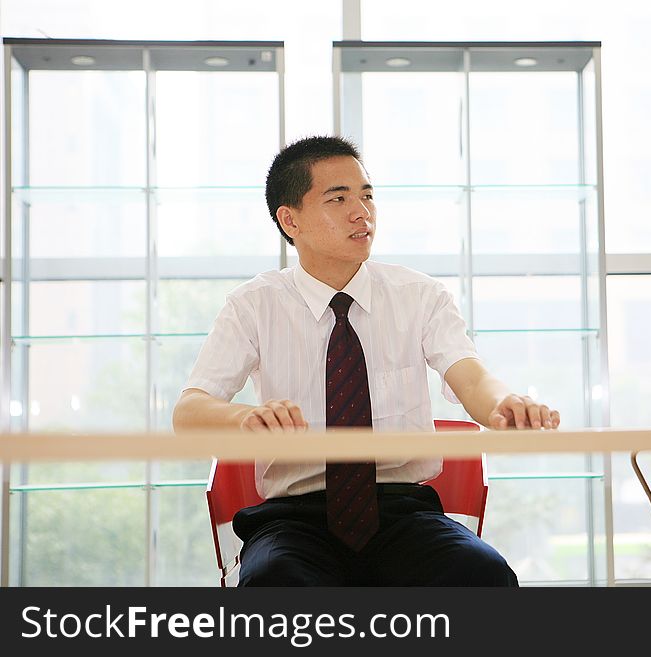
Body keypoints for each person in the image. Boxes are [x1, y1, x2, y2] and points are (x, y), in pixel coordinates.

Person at [172, 136, 560, 586]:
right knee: (275, 584)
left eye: (367, 195)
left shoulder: (419, 295)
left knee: (483, 575)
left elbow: (469, 375)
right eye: (338, 199)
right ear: (290, 220)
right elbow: (189, 412)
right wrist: (247, 417)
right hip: (294, 517)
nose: (362, 212)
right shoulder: (253, 305)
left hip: (402, 511)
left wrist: (502, 404)